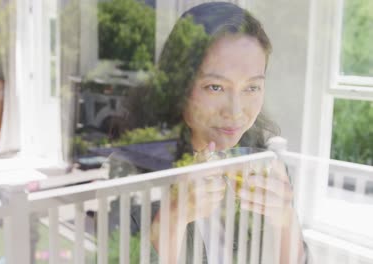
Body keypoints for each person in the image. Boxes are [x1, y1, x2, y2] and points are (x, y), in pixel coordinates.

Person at [127, 2, 308, 263]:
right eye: (215, 87)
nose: (235, 112)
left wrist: (286, 218)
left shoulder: (263, 165)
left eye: (252, 88)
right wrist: (172, 217)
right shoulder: (127, 174)